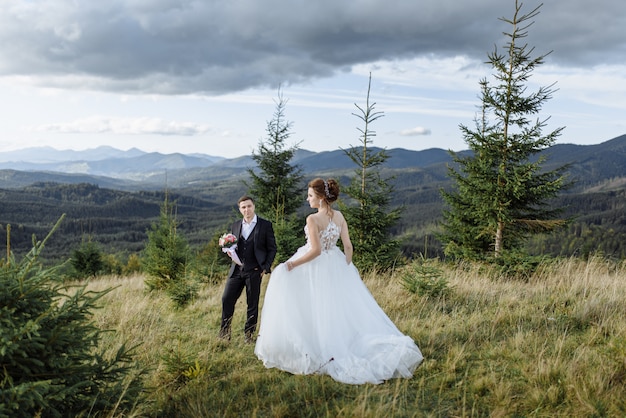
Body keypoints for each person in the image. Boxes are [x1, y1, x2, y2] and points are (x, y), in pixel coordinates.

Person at [254, 178, 423, 384]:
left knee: (307, 301)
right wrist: (346, 267)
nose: (307, 199)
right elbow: (348, 247)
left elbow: (315, 251)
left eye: (310, 196)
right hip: (335, 261)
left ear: (321, 198)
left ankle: (315, 346)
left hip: (314, 266)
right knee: (334, 307)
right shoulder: (340, 216)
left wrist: (292, 265)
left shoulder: (312, 219)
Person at [219, 195, 277, 343]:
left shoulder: (265, 225)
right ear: (240, 209)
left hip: (255, 270)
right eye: (243, 207)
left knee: (252, 303)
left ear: (254, 206)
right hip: (237, 270)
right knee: (226, 299)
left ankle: (249, 336)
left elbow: (272, 249)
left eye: (249, 206)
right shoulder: (235, 225)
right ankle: (225, 333)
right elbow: (233, 247)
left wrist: (265, 267)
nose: (246, 209)